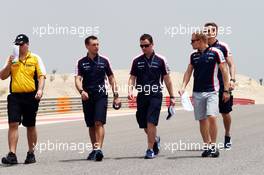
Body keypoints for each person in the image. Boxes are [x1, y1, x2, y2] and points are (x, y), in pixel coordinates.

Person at [179, 31, 230, 157]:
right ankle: (206, 146)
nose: (191, 43)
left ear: (200, 40)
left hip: (212, 91)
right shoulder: (193, 56)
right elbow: (188, 72)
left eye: (192, 41)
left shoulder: (216, 52)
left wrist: (227, 90)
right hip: (197, 92)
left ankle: (213, 146)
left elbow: (224, 70)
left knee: (212, 116)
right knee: (202, 120)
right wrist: (183, 87)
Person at [0, 34, 46, 165]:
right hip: (15, 96)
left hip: (31, 96)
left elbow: (42, 76)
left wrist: (40, 90)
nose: (19, 47)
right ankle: (12, 154)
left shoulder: (35, 58)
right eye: (17, 44)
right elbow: (2, 76)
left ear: (27, 44)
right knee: (13, 124)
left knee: (30, 125)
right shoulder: (11, 59)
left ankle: (31, 153)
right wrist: (9, 64)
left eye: (21, 44)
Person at [128, 34, 176, 159]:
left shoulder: (161, 60)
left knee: (151, 122)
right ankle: (155, 139)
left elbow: (167, 80)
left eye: (146, 45)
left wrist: (172, 97)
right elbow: (132, 78)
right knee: (143, 123)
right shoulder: (136, 60)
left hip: (155, 95)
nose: (143, 48)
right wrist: (130, 90)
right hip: (142, 95)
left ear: (152, 44)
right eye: (141, 46)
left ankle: (150, 149)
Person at [75, 35, 120, 161]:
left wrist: (116, 96)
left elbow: (112, 79)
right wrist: (81, 91)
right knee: (91, 125)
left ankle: (99, 149)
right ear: (87, 46)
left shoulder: (105, 61)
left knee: (98, 122)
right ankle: (94, 149)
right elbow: (77, 79)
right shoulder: (81, 62)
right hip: (87, 96)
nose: (97, 47)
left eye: (98, 44)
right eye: (94, 45)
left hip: (101, 96)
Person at [204, 22, 236, 148]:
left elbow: (231, 64)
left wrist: (232, 81)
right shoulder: (202, 47)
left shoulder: (223, 46)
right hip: (208, 86)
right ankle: (211, 142)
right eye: (206, 30)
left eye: (211, 30)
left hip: (223, 84)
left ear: (216, 32)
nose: (208, 33)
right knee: (209, 115)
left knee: (225, 112)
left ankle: (227, 135)